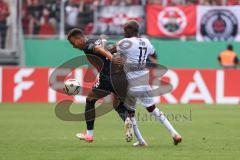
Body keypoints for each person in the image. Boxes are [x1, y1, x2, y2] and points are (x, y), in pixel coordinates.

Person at [67, 28, 146, 146]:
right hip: (121, 77)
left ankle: (89, 134)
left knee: (90, 100)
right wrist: (103, 38)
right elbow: (101, 44)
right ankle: (127, 120)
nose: (74, 46)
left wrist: (112, 58)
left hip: (107, 77)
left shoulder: (87, 46)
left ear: (79, 39)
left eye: (73, 43)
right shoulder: (95, 40)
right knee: (117, 104)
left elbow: (98, 49)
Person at [116, 20, 182, 146]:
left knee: (129, 114)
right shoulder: (146, 41)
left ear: (131, 30)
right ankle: (174, 133)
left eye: (125, 30)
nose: (123, 33)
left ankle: (141, 141)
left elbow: (112, 49)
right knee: (153, 109)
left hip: (130, 85)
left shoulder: (124, 42)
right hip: (144, 82)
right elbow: (154, 55)